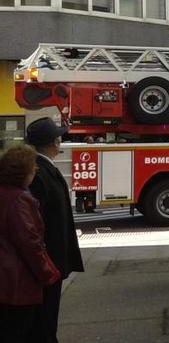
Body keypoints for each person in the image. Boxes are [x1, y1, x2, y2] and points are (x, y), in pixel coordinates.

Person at [25, 117, 83, 343]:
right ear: (54, 143)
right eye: (59, 138)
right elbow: (35, 224)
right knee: (45, 315)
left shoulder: (43, 169)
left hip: (51, 260)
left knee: (48, 313)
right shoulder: (39, 175)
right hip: (48, 262)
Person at [0, 145, 61, 342]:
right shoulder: (20, 200)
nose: (35, 170)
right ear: (23, 172)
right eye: (32, 167)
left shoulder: (5, 194)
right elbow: (29, 242)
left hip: (6, 279)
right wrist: (48, 273)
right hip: (17, 282)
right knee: (22, 331)